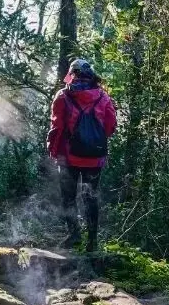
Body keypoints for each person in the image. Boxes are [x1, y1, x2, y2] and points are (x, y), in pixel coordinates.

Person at [47, 59, 117, 251]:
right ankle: (92, 241)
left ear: (71, 74)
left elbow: (57, 127)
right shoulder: (103, 97)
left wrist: (54, 151)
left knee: (69, 197)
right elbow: (110, 127)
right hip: (94, 158)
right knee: (91, 197)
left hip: (68, 157)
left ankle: (74, 235)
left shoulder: (63, 96)